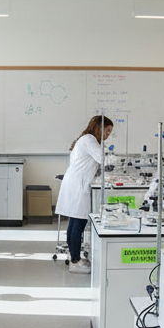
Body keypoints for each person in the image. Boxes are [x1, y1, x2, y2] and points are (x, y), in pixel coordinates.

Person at [55, 116, 114, 274]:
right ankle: (75, 261)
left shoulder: (86, 139)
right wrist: (114, 159)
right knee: (78, 222)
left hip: (76, 183)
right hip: (77, 185)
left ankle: (73, 255)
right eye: (107, 130)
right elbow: (102, 159)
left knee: (75, 221)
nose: (108, 134)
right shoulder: (89, 140)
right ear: (99, 128)